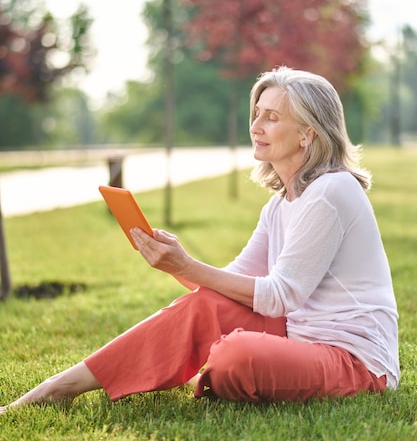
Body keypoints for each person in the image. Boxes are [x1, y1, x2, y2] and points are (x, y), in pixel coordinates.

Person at [0, 66, 399, 415]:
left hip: (356, 362)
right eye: (257, 113)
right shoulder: (280, 206)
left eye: (272, 117)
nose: (256, 126)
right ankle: (60, 387)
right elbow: (231, 285)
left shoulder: (333, 191)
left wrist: (187, 266)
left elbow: (280, 296)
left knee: (234, 356)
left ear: (308, 133)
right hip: (299, 337)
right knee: (205, 306)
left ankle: (210, 370)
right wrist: (175, 264)